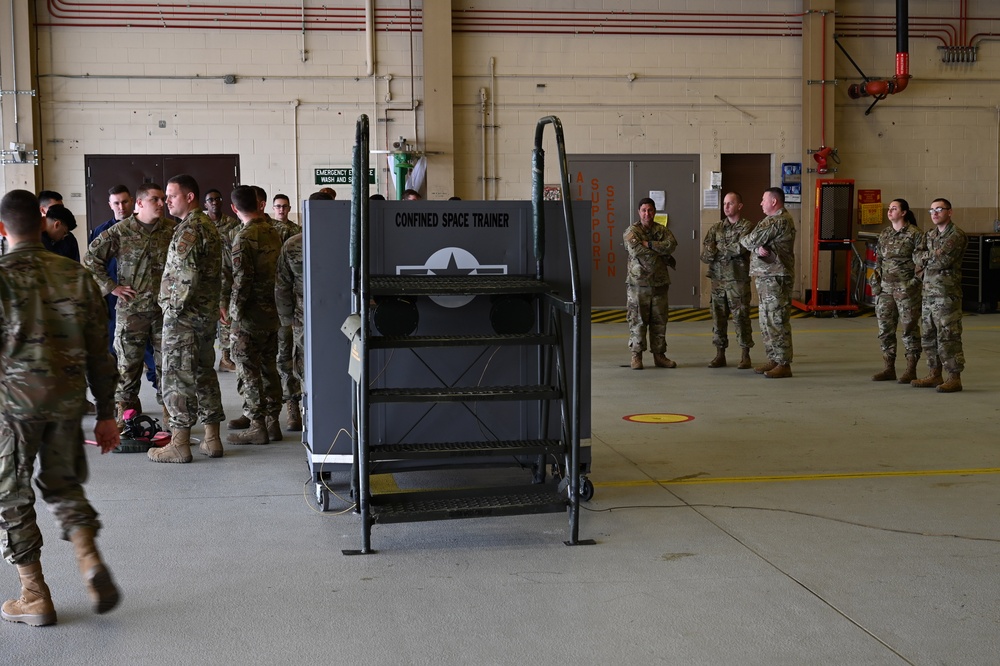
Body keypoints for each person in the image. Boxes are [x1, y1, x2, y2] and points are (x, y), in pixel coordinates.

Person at [0, 189, 121, 627]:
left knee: (11, 492)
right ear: (41, 223)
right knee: (63, 484)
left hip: (12, 408)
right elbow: (100, 353)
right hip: (67, 402)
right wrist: (107, 413)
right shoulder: (75, 276)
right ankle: (89, 561)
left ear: (2, 229)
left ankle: (34, 593)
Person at [84, 183, 175, 430]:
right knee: (127, 367)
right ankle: (126, 415)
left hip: (163, 312)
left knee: (166, 364)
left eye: (164, 199)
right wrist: (111, 287)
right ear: (141, 203)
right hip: (131, 311)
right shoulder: (120, 231)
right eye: (156, 199)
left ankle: (170, 414)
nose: (162, 203)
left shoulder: (171, 229)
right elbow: (91, 259)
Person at [149, 174, 226, 462]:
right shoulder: (206, 225)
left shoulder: (189, 230)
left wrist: (170, 309)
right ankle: (212, 439)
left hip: (184, 319)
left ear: (189, 197)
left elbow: (186, 277)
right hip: (203, 318)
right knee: (204, 375)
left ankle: (180, 443)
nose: (166, 200)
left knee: (177, 377)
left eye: (172, 195)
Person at [225, 185, 283, 445]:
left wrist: (234, 314)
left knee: (248, 370)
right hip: (273, 313)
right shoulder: (274, 231)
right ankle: (273, 423)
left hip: (249, 316)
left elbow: (242, 279)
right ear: (260, 204)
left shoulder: (243, 236)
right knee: (270, 368)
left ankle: (257, 425)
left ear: (234, 208)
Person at [911, 198, 968, 393]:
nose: (934, 213)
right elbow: (916, 256)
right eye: (931, 210)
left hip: (946, 295)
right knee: (928, 335)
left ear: (949, 212)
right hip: (928, 293)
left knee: (948, 335)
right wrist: (929, 256)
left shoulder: (956, 235)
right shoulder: (929, 235)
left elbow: (943, 260)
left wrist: (927, 259)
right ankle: (934, 373)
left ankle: (954, 377)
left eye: (939, 209)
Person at [740, 187, 796, 379]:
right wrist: (757, 250)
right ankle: (773, 358)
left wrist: (753, 246)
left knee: (776, 320)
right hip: (767, 277)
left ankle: (783, 363)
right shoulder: (768, 221)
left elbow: (748, 240)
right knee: (765, 320)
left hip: (776, 278)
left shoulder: (778, 221)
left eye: (763, 199)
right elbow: (756, 245)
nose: (760, 203)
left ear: (774, 202)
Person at [700, 192, 757, 369]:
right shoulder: (716, 228)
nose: (726, 207)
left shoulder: (747, 227)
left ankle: (745, 354)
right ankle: (720, 354)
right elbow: (705, 255)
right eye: (724, 203)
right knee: (718, 317)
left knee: (741, 317)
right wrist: (719, 250)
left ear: (739, 206)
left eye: (730, 203)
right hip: (718, 281)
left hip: (737, 281)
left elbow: (740, 248)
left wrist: (717, 248)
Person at [869, 198, 923, 383]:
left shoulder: (915, 234)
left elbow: (922, 264)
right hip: (885, 290)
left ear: (903, 212)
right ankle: (888, 368)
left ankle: (911, 369)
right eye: (889, 209)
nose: (890, 211)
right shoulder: (885, 233)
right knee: (885, 330)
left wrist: (913, 284)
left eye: (894, 208)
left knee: (909, 329)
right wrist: (876, 283)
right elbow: (879, 262)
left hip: (906, 290)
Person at [623, 197, 678, 370]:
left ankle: (659, 355)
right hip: (638, 284)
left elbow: (671, 245)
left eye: (650, 210)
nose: (647, 213)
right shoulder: (631, 231)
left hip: (660, 284)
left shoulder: (661, 230)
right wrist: (658, 249)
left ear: (655, 212)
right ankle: (636, 356)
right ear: (639, 212)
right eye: (644, 210)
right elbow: (636, 249)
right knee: (637, 320)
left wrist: (649, 244)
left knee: (659, 321)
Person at [204, 188, 241, 373]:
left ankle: (225, 358)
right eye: (210, 200)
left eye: (218, 199)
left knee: (226, 319)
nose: (214, 202)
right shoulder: (201, 225)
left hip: (227, 278)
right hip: (205, 280)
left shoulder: (232, 225)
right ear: (205, 204)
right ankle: (204, 358)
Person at [275, 231, 305, 431]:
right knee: (296, 362)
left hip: (337, 312)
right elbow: (282, 283)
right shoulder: (293, 244)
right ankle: (294, 406)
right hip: (301, 315)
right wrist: (287, 319)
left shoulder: (344, 237)